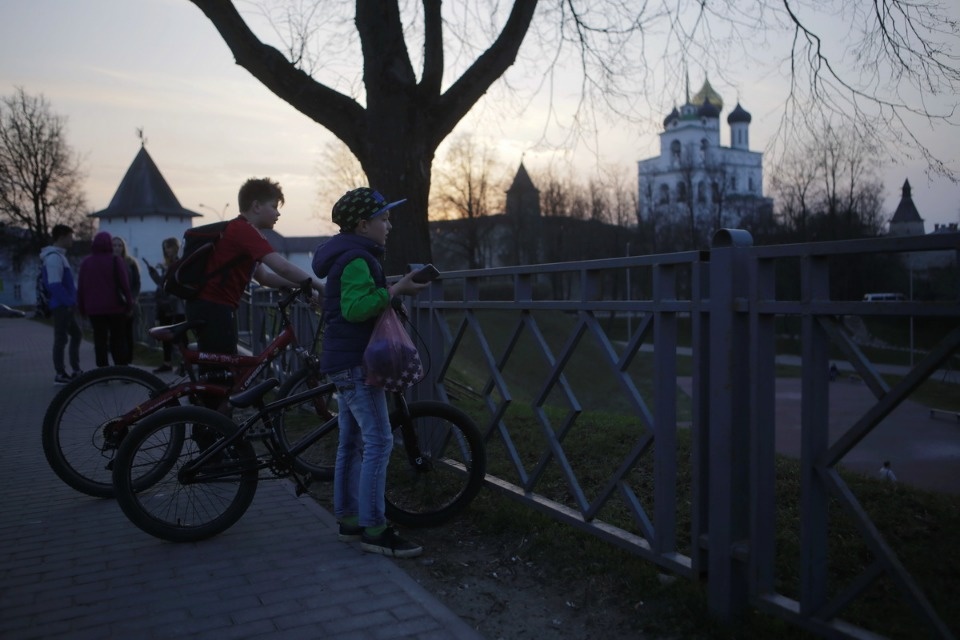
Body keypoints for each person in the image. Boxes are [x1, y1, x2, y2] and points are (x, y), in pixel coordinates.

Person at [312, 187, 430, 558]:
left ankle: (350, 521)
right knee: (380, 441)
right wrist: (397, 289)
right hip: (356, 363)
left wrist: (391, 291)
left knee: (351, 442)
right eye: (383, 218)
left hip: (343, 360)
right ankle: (375, 529)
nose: (389, 224)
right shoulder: (357, 259)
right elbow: (355, 308)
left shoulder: (347, 255)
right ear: (363, 225)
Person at [185, 177, 324, 367]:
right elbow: (281, 267)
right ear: (256, 206)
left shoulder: (240, 230)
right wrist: (319, 285)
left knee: (221, 370)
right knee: (220, 375)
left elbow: (264, 277)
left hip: (211, 307)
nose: (278, 214)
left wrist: (302, 284)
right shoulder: (244, 230)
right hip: (214, 309)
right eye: (274, 207)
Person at [77, 231, 135, 367]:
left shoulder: (86, 263)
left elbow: (81, 288)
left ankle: (102, 371)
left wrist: (82, 308)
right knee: (118, 339)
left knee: (99, 340)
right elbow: (125, 285)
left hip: (94, 309)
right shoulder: (116, 260)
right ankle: (121, 368)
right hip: (115, 307)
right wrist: (129, 304)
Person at [41, 224, 83, 384]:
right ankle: (61, 373)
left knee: (75, 335)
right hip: (62, 305)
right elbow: (54, 284)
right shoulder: (54, 258)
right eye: (70, 236)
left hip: (64, 304)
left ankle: (75, 370)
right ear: (62, 237)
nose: (72, 240)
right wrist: (70, 301)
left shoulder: (58, 256)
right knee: (61, 338)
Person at [145, 237, 186, 373]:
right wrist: (154, 274)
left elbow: (176, 283)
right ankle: (167, 362)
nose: (167, 250)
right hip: (165, 304)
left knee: (180, 336)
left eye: (168, 247)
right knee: (166, 334)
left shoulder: (180, 262)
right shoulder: (167, 264)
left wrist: (166, 269)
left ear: (175, 247)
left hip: (177, 305)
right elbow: (163, 285)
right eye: (165, 248)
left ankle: (184, 363)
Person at [112, 236, 141, 365]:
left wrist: (133, 298)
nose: (117, 248)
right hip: (114, 304)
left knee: (128, 334)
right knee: (116, 335)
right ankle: (119, 363)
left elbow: (136, 283)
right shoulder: (109, 262)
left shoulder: (130, 262)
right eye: (114, 245)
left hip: (129, 302)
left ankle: (128, 361)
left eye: (120, 245)